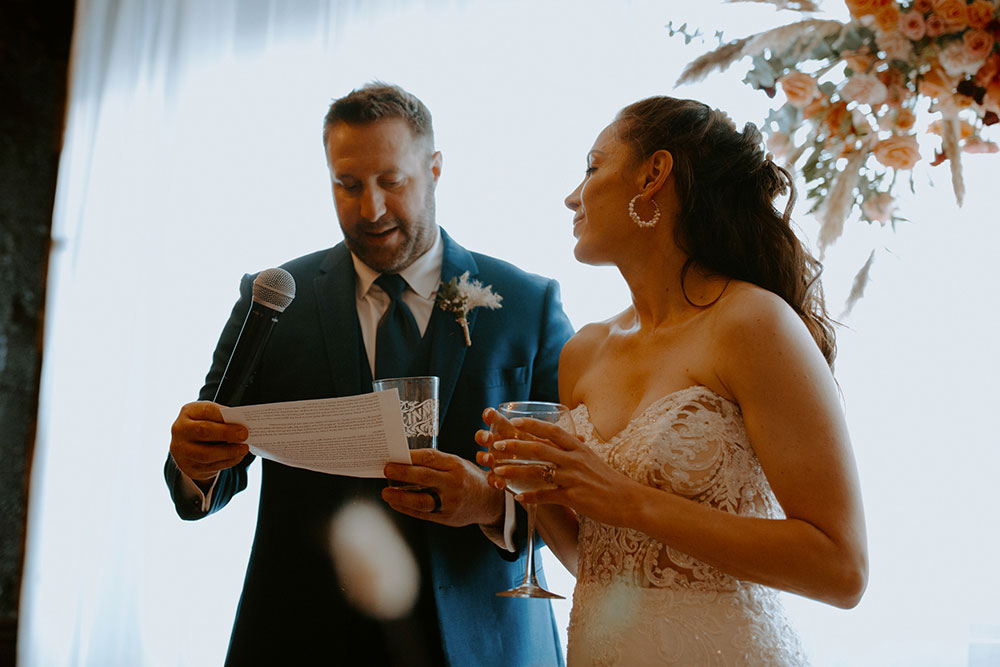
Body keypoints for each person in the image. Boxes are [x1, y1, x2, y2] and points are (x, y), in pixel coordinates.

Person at [164, 82, 573, 666]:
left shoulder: (527, 304)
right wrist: (194, 463)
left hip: (481, 639)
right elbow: (210, 462)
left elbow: (578, 486)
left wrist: (489, 503)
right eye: (348, 185)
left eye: (392, 181)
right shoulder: (274, 297)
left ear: (434, 169)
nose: (371, 209)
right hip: (304, 637)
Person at [478, 96, 869, 666]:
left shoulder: (753, 323)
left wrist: (626, 501)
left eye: (591, 168)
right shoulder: (583, 352)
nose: (572, 195)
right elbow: (604, 561)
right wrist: (536, 492)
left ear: (653, 175)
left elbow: (842, 569)